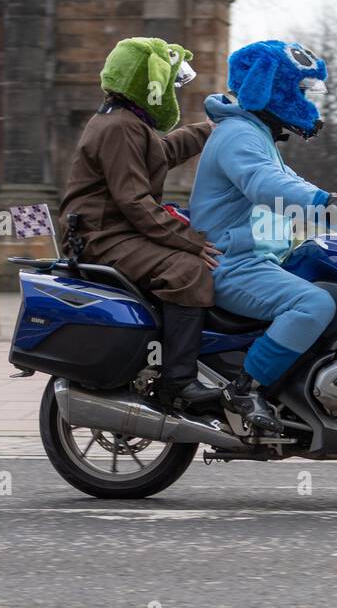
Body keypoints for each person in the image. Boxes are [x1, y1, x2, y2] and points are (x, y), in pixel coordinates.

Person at [189, 40, 337, 434]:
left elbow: (292, 186)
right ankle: (245, 390)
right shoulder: (240, 136)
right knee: (313, 305)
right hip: (234, 265)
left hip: (259, 261)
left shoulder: (256, 135)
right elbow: (269, 186)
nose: (306, 102)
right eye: (298, 91)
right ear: (267, 87)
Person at [59, 37, 222, 411]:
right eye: (168, 84)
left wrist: (210, 129)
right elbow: (135, 202)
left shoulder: (126, 123)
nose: (170, 92)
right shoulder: (119, 128)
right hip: (100, 237)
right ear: (146, 83)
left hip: (111, 232)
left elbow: (162, 153)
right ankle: (178, 383)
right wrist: (191, 241)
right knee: (187, 271)